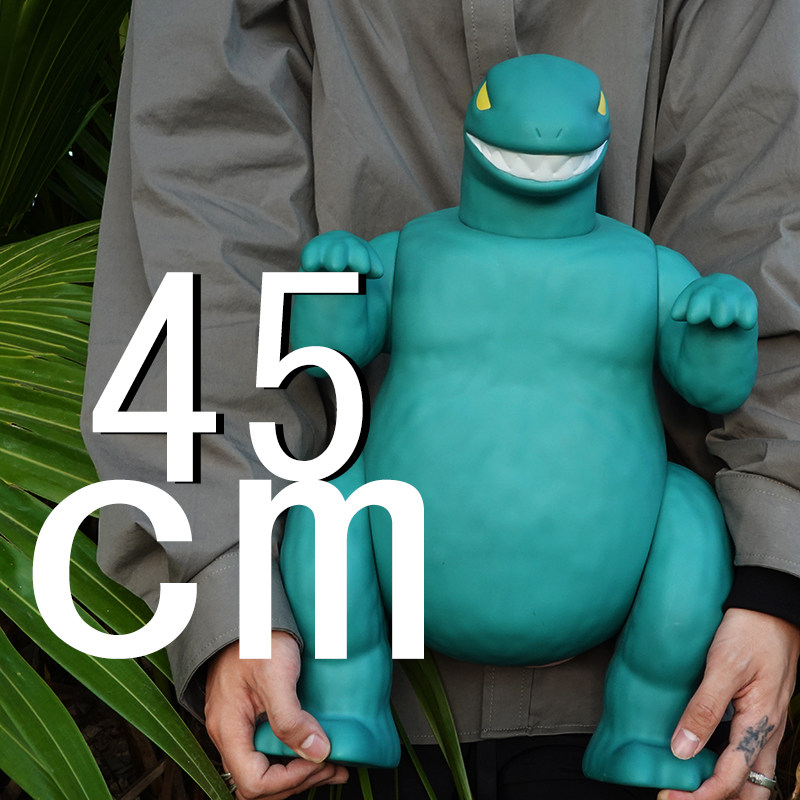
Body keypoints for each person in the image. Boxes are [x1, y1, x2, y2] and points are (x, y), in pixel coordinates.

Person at [82, 1, 800, 799]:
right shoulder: (413, 257)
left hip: (682, 667)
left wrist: (777, 574)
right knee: (331, 515)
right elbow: (207, 191)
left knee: (684, 517)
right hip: (319, 674)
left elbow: (768, 189)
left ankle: (641, 718)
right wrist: (236, 590)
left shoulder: (643, 270)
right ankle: (351, 693)